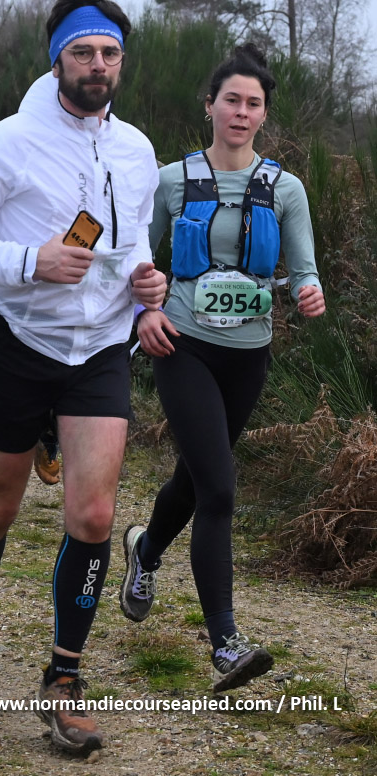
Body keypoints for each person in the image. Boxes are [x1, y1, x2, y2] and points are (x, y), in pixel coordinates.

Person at [0, 0, 166, 754]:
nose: (98, 65)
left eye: (110, 53)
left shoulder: (136, 150)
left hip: (99, 351)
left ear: (121, 62)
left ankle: (64, 676)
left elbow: (134, 238)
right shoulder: (6, 143)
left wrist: (147, 285)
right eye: (83, 52)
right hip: (18, 345)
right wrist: (31, 260)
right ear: (57, 60)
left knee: (94, 517)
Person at [119, 44, 326, 693]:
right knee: (220, 489)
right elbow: (133, 259)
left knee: (196, 478)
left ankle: (144, 551)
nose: (241, 112)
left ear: (264, 114)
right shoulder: (170, 180)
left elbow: (305, 269)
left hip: (248, 357)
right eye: (231, 100)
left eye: (253, 103)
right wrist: (144, 312)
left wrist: (310, 292)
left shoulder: (286, 189)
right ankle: (226, 644)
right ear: (209, 105)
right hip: (182, 346)